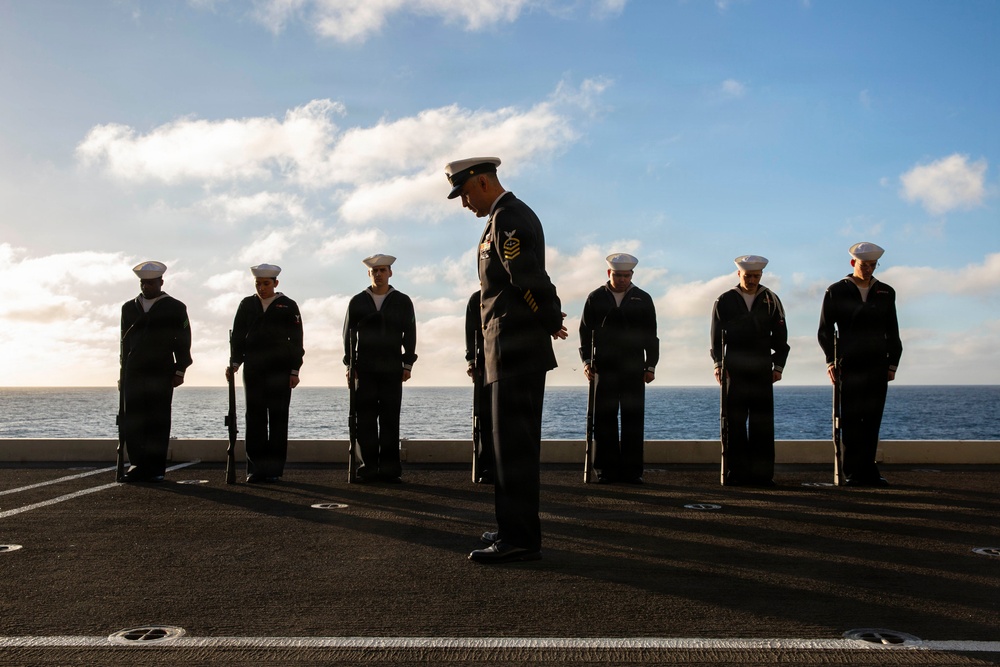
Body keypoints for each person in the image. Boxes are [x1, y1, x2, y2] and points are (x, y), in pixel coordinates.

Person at [445, 156, 567, 564]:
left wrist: (550, 316)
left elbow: (524, 275)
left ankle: (520, 538)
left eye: (464, 193)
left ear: (481, 183)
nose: (464, 204)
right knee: (506, 446)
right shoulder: (499, 218)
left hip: (516, 347)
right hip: (507, 348)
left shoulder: (508, 218)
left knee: (514, 447)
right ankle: (511, 526)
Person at [818, 242, 902, 487]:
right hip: (849, 363)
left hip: (877, 363)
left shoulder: (886, 292)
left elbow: (892, 330)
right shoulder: (836, 291)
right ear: (853, 263)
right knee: (852, 419)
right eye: (864, 265)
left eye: (873, 265)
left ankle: (869, 472)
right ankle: (852, 472)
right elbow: (824, 331)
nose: (868, 269)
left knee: (873, 419)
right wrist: (831, 361)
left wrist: (893, 363)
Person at [579, 253, 659, 484]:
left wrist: (651, 365)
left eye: (626, 275)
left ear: (632, 275)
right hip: (604, 366)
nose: (622, 279)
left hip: (634, 366)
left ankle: (633, 472)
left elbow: (651, 335)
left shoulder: (643, 299)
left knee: (633, 419)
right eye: (617, 275)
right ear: (609, 273)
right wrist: (586, 362)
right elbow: (585, 334)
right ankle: (606, 470)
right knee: (604, 419)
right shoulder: (595, 298)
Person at [710, 255, 790, 487]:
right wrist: (718, 364)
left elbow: (781, 337)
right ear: (739, 275)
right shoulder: (724, 300)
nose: (752, 280)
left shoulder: (771, 299)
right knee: (734, 423)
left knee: (762, 424)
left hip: (762, 367)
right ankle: (737, 473)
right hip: (734, 368)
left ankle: (763, 475)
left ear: (761, 275)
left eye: (756, 276)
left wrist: (778, 365)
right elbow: (716, 337)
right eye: (748, 276)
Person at [342, 254, 417, 483]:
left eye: (382, 270)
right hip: (364, 369)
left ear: (390, 273)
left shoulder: (402, 301)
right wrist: (349, 364)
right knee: (364, 420)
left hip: (392, 367)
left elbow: (410, 333)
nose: (379, 274)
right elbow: (347, 335)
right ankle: (368, 468)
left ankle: (390, 470)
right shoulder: (357, 301)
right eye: (374, 271)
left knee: (389, 420)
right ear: (369, 274)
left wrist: (407, 363)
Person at [226, 264, 304, 483]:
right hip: (254, 368)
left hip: (280, 369)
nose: (261, 288)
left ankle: (274, 470)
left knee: (278, 419)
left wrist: (294, 369)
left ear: (275, 283)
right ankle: (256, 468)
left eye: (266, 284)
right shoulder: (247, 305)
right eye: (258, 284)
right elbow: (238, 337)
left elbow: (297, 340)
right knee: (255, 419)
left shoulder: (288, 306)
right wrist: (234, 363)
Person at [119, 261, 192, 482]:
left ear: (161, 282)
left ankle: (156, 468)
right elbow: (124, 343)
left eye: (150, 283)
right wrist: (123, 372)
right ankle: (137, 464)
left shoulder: (175, 307)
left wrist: (180, 368)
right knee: (134, 419)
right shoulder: (129, 308)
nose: (146, 287)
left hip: (160, 369)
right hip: (134, 371)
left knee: (158, 420)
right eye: (143, 283)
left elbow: (183, 339)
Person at [465, 290, 495, 484]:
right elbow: (470, 333)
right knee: (485, 419)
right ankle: (488, 466)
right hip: (484, 366)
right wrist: (471, 361)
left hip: (509, 364)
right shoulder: (476, 299)